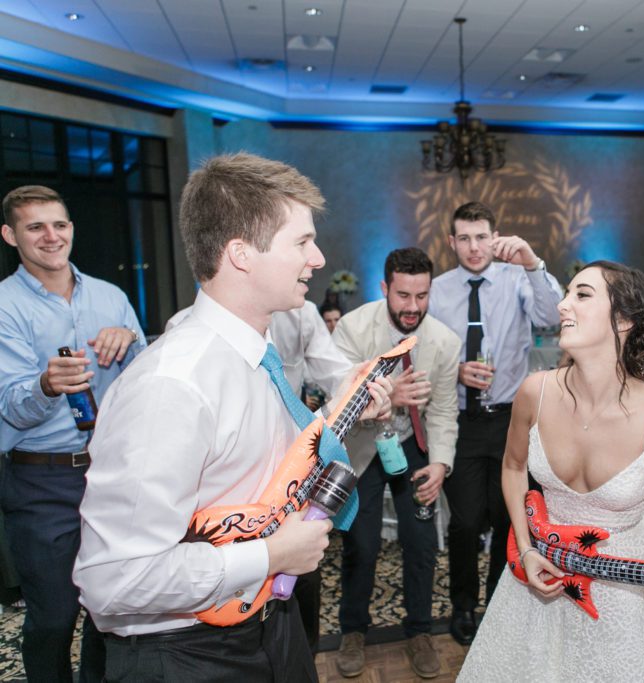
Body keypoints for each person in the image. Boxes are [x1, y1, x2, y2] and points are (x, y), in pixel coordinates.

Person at [72, 153, 390, 681]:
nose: (317, 258)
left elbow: (264, 474)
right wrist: (270, 555)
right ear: (241, 254)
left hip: (268, 620)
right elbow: (116, 578)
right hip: (187, 650)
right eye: (302, 242)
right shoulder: (172, 385)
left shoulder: (256, 357)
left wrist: (345, 408)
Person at [458, 260, 644, 681]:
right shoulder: (535, 392)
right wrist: (525, 549)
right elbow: (513, 467)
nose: (563, 305)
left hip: (630, 588)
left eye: (582, 295)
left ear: (623, 321)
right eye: (567, 294)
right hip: (545, 570)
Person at [0, 185, 145, 683]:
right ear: (10, 235)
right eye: (35, 227)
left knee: (110, 610)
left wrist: (131, 343)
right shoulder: (4, 305)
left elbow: (146, 385)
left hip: (111, 472)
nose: (51, 236)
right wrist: (45, 384)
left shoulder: (111, 296)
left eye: (59, 224)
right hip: (41, 481)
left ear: (71, 229)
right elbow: (11, 408)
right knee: (54, 617)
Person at [166, 297, 355, 654]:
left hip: (292, 491)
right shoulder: (183, 335)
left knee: (302, 598)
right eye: (300, 249)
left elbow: (332, 380)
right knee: (237, 627)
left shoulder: (301, 315)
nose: (313, 266)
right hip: (231, 522)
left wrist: (352, 395)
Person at [429, 201, 561, 644]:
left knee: (509, 517)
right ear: (452, 242)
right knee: (465, 522)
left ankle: (501, 605)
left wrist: (532, 263)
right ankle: (463, 605)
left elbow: (551, 317)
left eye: (481, 237)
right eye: (464, 238)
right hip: (461, 421)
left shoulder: (517, 278)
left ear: (494, 237)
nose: (473, 247)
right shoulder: (438, 290)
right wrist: (454, 370)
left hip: (510, 420)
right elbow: (422, 350)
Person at [331, 247, 460, 679]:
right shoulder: (352, 329)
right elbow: (337, 398)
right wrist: (390, 393)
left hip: (414, 446)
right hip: (364, 447)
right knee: (361, 544)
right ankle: (353, 630)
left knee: (421, 544)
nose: (413, 307)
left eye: (422, 296)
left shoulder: (444, 341)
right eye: (403, 295)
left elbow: (444, 410)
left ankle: (419, 632)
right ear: (384, 287)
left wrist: (440, 464)